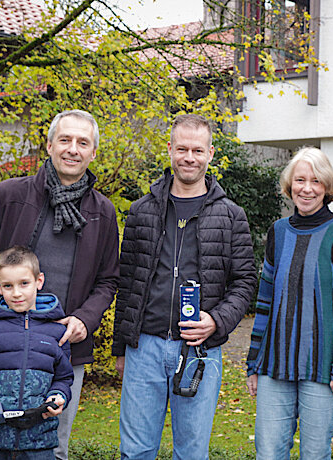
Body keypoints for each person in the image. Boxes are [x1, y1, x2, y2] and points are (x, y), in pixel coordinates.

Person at [0, 109, 120, 460]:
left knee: (52, 448)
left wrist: (85, 319)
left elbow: (108, 280)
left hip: (61, 350)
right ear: (49, 145)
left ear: (93, 152)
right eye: (64, 140)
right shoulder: (10, 196)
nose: (72, 149)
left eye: (83, 142)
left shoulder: (103, 212)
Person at [112, 113, 257, 460]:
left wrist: (217, 321)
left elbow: (245, 281)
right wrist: (121, 346)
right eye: (182, 149)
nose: (189, 157)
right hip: (144, 347)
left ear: (210, 153)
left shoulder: (231, 215)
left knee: (191, 453)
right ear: (170, 150)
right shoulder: (141, 211)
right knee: (135, 451)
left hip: (199, 350)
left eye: (197, 150)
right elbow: (127, 281)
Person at [246, 147, 333, 460]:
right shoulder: (278, 231)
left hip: (325, 369)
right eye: (300, 180)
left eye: (316, 181)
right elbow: (265, 301)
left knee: (314, 454)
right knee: (268, 452)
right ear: (290, 185)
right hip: (275, 366)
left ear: (326, 187)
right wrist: (254, 363)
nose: (307, 188)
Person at [0, 246, 74, 460]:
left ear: (39, 281)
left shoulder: (58, 333)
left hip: (38, 445)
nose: (16, 293)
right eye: (8, 286)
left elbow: (63, 378)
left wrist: (59, 396)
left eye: (24, 283)